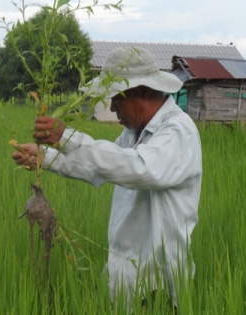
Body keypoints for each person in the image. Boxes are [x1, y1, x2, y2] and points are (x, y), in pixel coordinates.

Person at [11, 47, 202, 308]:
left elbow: (139, 168)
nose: (112, 108)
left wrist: (66, 137)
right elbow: (102, 166)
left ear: (143, 92)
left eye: (116, 99)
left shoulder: (178, 131)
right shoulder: (135, 132)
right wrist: (46, 157)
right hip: (126, 273)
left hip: (158, 282)